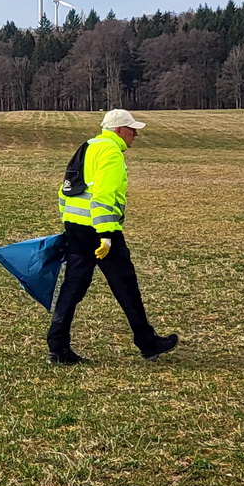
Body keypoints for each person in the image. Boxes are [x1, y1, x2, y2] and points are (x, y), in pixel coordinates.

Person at [47, 108, 179, 365]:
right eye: (132, 130)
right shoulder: (111, 152)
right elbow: (104, 195)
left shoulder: (87, 147)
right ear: (119, 130)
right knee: (126, 285)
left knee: (72, 289)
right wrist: (106, 234)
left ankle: (58, 346)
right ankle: (147, 341)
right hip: (101, 232)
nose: (135, 135)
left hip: (76, 229)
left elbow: (65, 189)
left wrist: (69, 223)